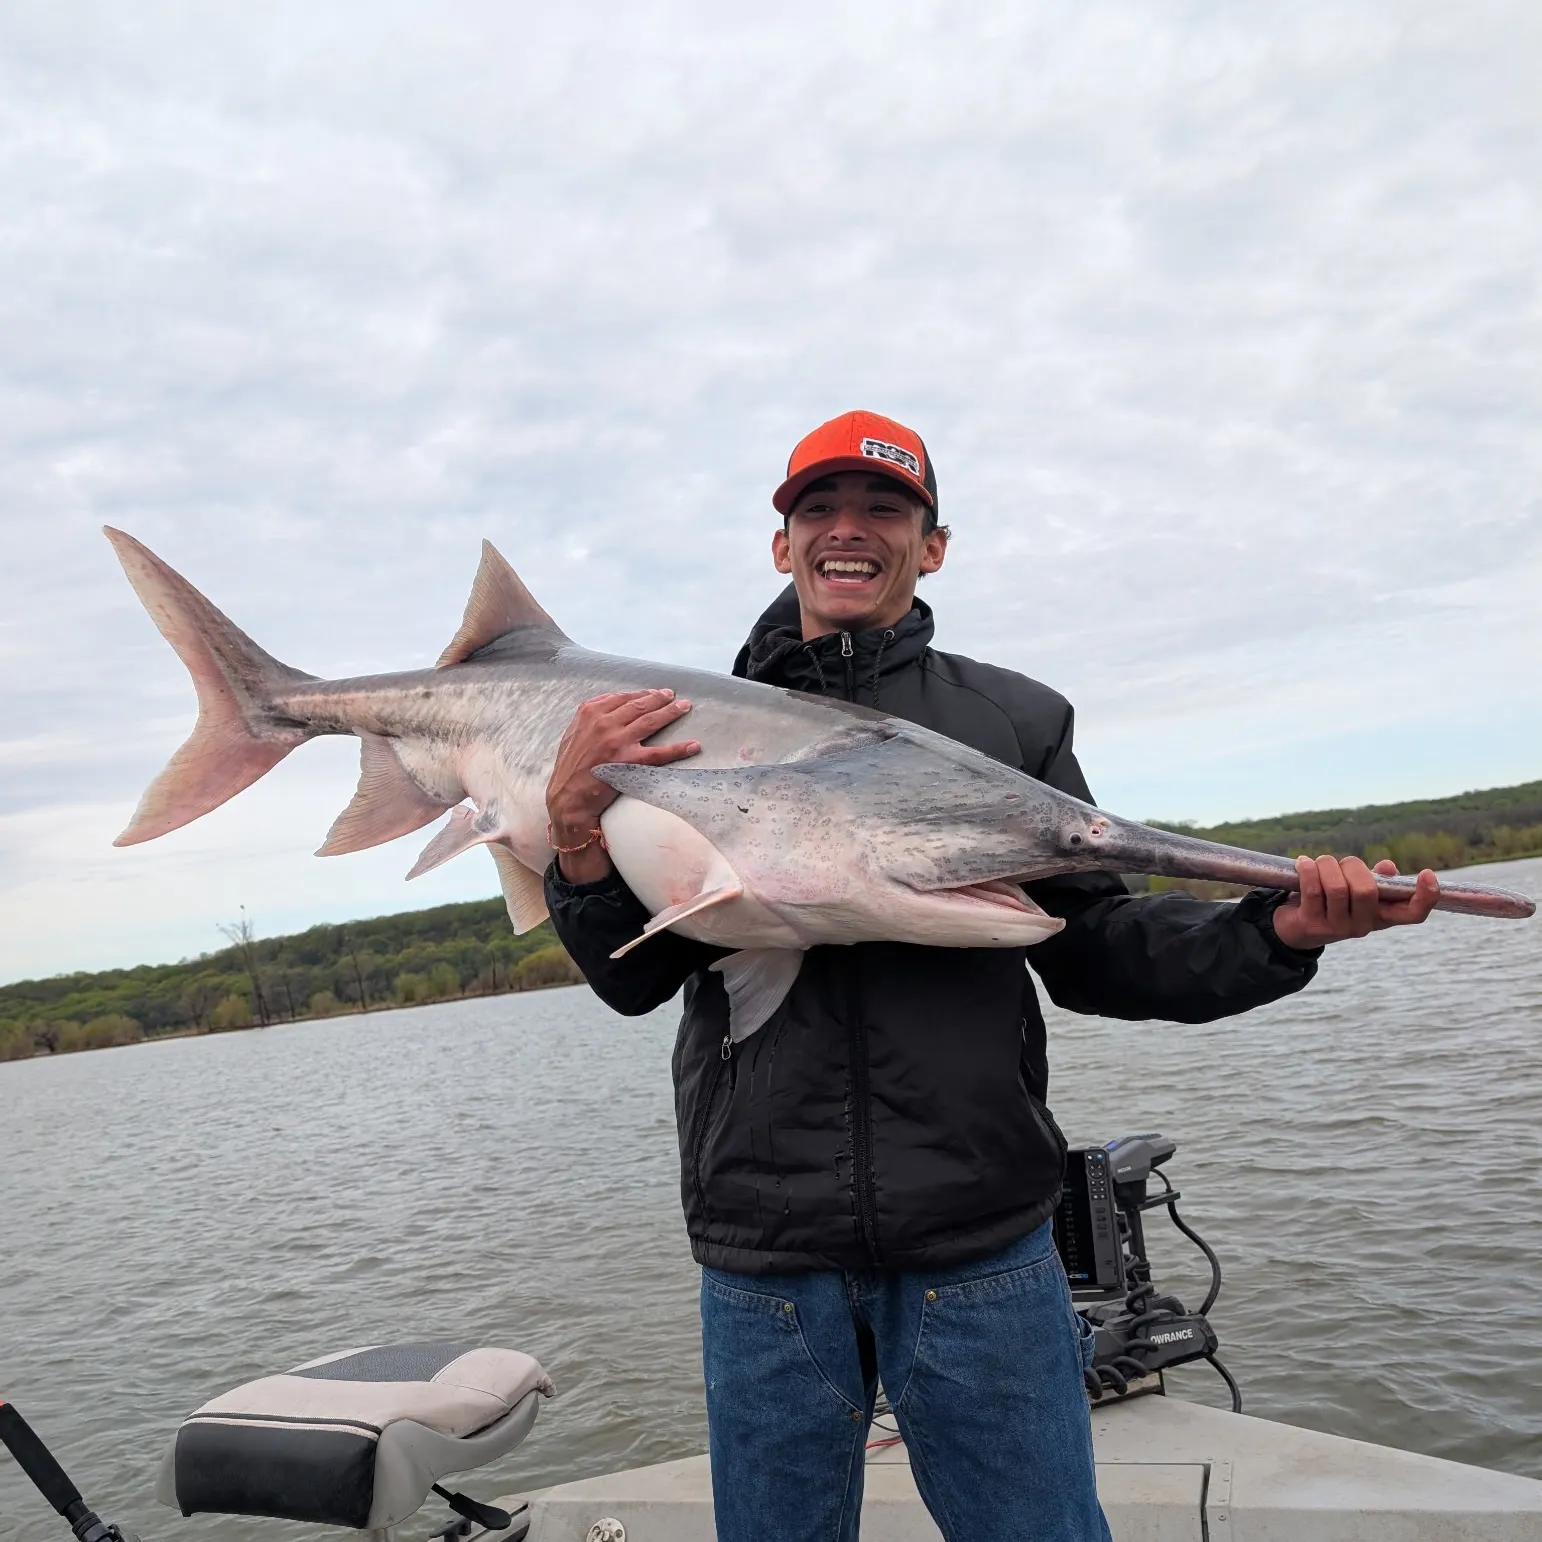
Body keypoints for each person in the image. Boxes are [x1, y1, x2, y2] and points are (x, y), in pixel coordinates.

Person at [540, 410, 1439, 1542]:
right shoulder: (674, 730)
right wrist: (575, 837)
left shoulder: (1013, 721)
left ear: (933, 546)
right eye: (819, 509)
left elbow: (1094, 944)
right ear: (782, 545)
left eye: (885, 510)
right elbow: (633, 981)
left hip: (979, 1236)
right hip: (763, 1243)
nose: (848, 530)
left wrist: (1277, 932)